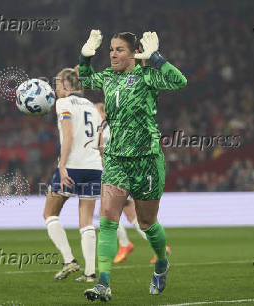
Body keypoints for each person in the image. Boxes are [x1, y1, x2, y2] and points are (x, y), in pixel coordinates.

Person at [79, 30, 187, 301]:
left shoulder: (147, 76)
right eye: (111, 49)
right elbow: (85, 78)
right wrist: (85, 56)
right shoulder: (107, 77)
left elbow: (179, 80)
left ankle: (161, 262)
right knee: (107, 221)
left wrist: (157, 58)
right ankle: (103, 283)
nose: (113, 54)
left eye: (119, 50)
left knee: (148, 223)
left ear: (134, 54)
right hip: (116, 159)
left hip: (147, 160)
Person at [42, 67, 103, 282]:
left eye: (58, 85)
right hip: (95, 167)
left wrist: (62, 165)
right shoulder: (94, 107)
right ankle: (90, 272)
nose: (55, 90)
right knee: (86, 221)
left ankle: (69, 260)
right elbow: (101, 141)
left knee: (49, 214)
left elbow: (67, 135)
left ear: (67, 86)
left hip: (73, 166)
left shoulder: (63, 103)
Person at [95, 102, 148, 264]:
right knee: (131, 214)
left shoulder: (107, 130)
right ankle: (159, 245)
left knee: (105, 212)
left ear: (103, 114)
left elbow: (103, 151)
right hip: (123, 176)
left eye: (96, 113)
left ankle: (125, 244)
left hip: (115, 177)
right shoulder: (112, 128)